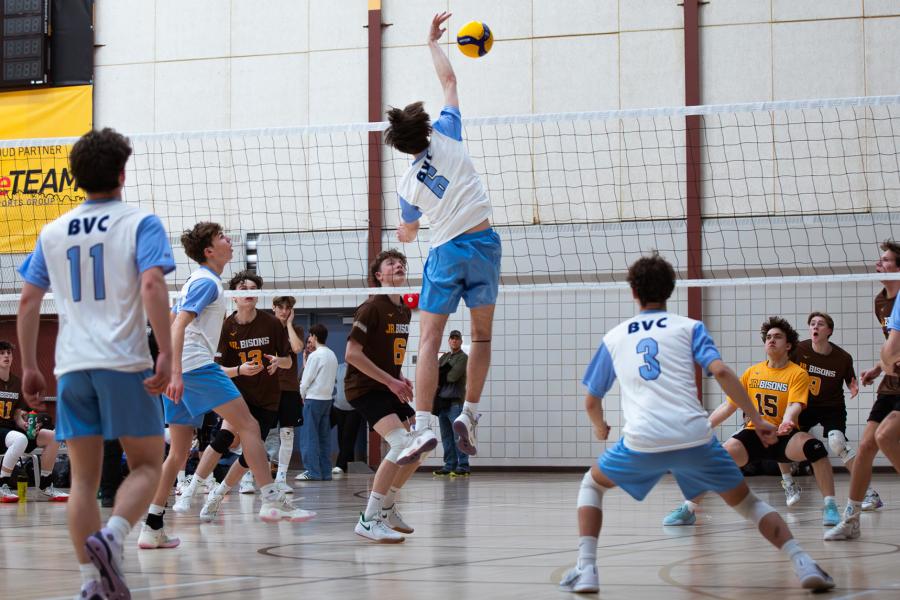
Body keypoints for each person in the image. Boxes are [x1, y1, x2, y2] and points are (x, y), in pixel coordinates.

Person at [560, 253, 834, 593]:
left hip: (642, 440)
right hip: (694, 436)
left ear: (633, 291)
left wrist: (600, 427)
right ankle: (803, 563)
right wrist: (758, 419)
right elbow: (720, 371)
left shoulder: (615, 337)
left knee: (592, 485)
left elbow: (591, 400)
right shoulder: (690, 328)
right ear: (672, 290)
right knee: (749, 504)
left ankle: (586, 570)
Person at [16, 128, 175, 599]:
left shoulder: (52, 231)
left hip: (71, 367)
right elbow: (151, 286)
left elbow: (27, 302)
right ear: (122, 173)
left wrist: (29, 365)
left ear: (76, 177)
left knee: (83, 479)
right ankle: (114, 537)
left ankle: (92, 582)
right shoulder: (140, 222)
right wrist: (165, 350)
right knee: (148, 463)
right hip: (124, 362)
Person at [386, 12, 502, 462]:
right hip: (484, 245)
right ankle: (469, 414)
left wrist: (405, 226)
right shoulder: (448, 132)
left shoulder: (407, 186)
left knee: (430, 338)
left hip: (446, 251)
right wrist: (431, 41)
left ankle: (426, 424)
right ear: (426, 128)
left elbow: (410, 234)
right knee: (482, 337)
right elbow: (450, 79)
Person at [159, 225, 312, 530]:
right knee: (248, 427)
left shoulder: (198, 281)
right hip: (195, 367)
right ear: (209, 251)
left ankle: (152, 523)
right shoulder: (207, 284)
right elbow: (178, 326)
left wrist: (167, 366)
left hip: (186, 368)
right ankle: (270, 498)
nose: (229, 241)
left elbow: (172, 320)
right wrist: (176, 370)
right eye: (222, 238)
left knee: (178, 451)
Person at [663, 317, 840, 529]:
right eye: (768, 337)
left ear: (789, 345)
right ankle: (688, 509)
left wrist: (787, 421)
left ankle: (830, 506)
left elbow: (795, 405)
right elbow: (728, 406)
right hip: (754, 435)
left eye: (777, 337)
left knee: (816, 447)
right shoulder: (752, 372)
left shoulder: (797, 373)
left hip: (783, 437)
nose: (771, 340)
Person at [345, 249, 426, 542]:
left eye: (401, 262)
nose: (399, 266)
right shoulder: (371, 308)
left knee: (420, 447)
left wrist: (398, 375)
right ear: (379, 276)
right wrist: (392, 380)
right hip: (364, 388)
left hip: (387, 384)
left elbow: (388, 354)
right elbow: (352, 354)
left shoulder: (403, 308)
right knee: (401, 443)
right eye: (391, 263)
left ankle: (388, 508)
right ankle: (368, 519)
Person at [827, 241, 900, 539]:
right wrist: (879, 368)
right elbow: (892, 347)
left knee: (885, 437)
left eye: (885, 260)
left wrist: (887, 360)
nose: (878, 264)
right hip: (892, 380)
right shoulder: (881, 301)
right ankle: (852, 518)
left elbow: (893, 347)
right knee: (868, 445)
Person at [780, 312, 880, 507]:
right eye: (812, 324)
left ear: (829, 331)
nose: (815, 327)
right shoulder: (798, 350)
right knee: (781, 435)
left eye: (820, 324)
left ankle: (869, 493)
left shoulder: (842, 358)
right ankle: (789, 484)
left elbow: (850, 380)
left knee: (837, 442)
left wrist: (854, 386)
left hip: (831, 406)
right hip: (803, 405)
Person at [0, 340, 68, 502]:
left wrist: (25, 423)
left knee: (54, 436)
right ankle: (2, 484)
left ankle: (46, 483)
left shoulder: (17, 383)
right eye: (2, 353)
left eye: (9, 353)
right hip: (4, 433)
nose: (6, 356)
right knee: (20, 439)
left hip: (10, 431)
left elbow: (17, 414)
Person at [297, 324, 339, 481]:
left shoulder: (315, 356)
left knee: (309, 437)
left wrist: (301, 394)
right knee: (324, 437)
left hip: (313, 400)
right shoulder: (332, 355)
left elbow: (306, 379)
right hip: (327, 400)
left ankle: (312, 471)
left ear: (314, 336)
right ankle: (325, 472)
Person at [272, 296, 304, 491]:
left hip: (289, 388)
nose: (284, 311)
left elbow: (297, 348)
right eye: (281, 307)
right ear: (274, 308)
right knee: (257, 433)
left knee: (287, 433)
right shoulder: (265, 327)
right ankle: (247, 477)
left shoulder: (296, 330)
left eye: (288, 308)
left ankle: (281, 479)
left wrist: (289, 325)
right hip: (267, 388)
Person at [432, 330, 469, 477]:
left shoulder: (463, 358)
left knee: (458, 436)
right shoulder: (445, 356)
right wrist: (441, 374)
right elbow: (435, 374)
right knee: (446, 436)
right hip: (442, 403)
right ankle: (449, 465)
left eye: (457, 339)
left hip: (455, 403)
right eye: (452, 338)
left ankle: (463, 466)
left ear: (460, 341)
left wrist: (441, 374)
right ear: (449, 341)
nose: (454, 341)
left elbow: (452, 377)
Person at [331, 361, 361, 475]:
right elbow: (332, 383)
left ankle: (340, 465)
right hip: (338, 407)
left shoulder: (360, 367)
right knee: (341, 437)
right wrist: (333, 397)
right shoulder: (338, 368)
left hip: (355, 409)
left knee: (348, 437)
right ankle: (348, 463)